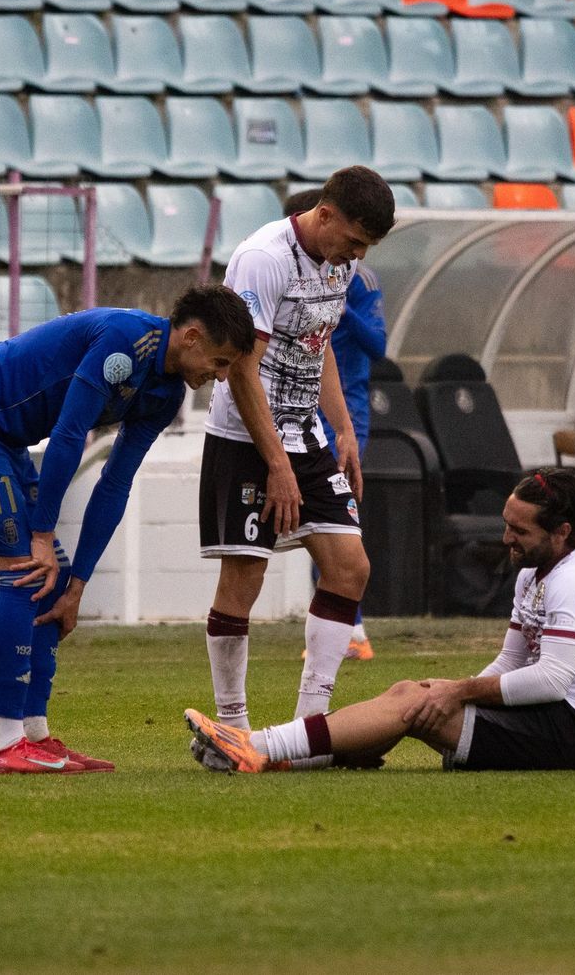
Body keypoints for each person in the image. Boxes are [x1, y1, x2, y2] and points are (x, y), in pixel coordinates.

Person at [0, 284, 254, 774]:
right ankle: (5, 745)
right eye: (219, 363)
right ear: (193, 336)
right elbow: (71, 433)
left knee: (55, 578)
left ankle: (35, 735)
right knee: (27, 569)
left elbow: (115, 482)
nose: (220, 378)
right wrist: (42, 534)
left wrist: (79, 585)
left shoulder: (164, 393)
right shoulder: (124, 339)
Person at [185, 469, 575, 773]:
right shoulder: (536, 575)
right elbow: (510, 662)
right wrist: (454, 696)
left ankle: (259, 748)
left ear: (561, 533)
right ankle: (307, 751)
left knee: (415, 704)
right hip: (546, 718)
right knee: (411, 693)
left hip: (569, 735)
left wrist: (460, 692)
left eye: (520, 531)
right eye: (506, 524)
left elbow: (554, 680)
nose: (505, 538)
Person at [198, 166, 395, 743]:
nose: (356, 255)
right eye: (354, 240)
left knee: (350, 567)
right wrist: (277, 465)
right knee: (246, 575)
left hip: (306, 432)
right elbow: (240, 367)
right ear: (325, 214)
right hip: (245, 435)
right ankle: (233, 727)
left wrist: (344, 431)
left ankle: (306, 729)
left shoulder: (342, 260)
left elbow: (319, 340)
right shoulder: (262, 257)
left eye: (365, 247)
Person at [283, 187, 385, 660]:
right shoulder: (282, 266)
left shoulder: (355, 279)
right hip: (296, 410)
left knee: (332, 518)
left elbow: (379, 346)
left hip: (348, 414)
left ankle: (353, 631)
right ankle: (339, 628)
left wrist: (337, 309)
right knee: (308, 520)